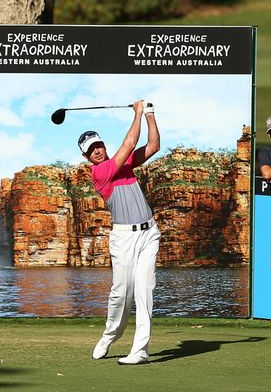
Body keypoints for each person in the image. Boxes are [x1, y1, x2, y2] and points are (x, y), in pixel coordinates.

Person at [80, 99, 161, 365]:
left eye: (99, 146)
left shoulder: (124, 165)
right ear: (87, 157)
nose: (97, 151)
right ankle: (110, 335)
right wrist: (137, 113)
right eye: (91, 150)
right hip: (124, 238)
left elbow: (153, 146)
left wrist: (149, 114)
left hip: (149, 233)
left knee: (144, 291)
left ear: (104, 145)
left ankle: (140, 351)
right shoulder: (100, 173)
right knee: (121, 293)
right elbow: (128, 144)